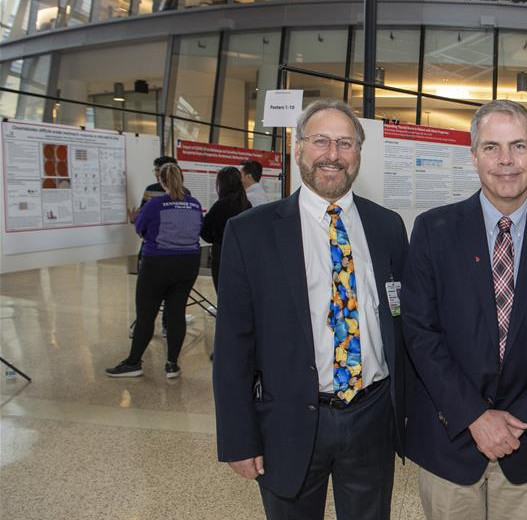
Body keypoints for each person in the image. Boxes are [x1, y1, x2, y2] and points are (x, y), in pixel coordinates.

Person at [213, 99, 409, 520]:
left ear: (358, 153)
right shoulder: (250, 232)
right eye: (320, 141)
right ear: (298, 148)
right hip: (288, 420)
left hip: (372, 417)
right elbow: (232, 345)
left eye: (345, 143)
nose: (332, 155)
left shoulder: (387, 226)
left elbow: (400, 322)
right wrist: (237, 438)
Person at [402, 99, 527, 520]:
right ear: (474, 156)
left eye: (518, 146)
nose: (506, 160)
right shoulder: (433, 230)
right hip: (450, 437)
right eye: (492, 147)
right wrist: (474, 416)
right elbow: (420, 332)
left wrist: (520, 418)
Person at [106, 163, 203, 379]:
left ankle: (133, 363)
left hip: (157, 263)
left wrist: (135, 220)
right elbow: (198, 228)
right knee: (176, 312)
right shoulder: (194, 204)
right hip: (188, 263)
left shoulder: (155, 204)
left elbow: (140, 228)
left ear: (161, 181)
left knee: (146, 314)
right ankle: (172, 365)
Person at [200, 166, 251, 291]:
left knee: (223, 292)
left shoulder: (220, 206)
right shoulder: (246, 204)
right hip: (244, 254)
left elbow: (205, 231)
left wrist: (215, 238)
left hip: (222, 254)